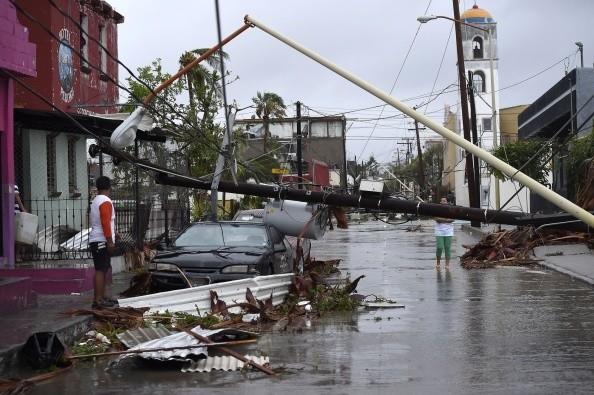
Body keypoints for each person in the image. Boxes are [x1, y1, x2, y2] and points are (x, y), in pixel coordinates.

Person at [89, 176, 118, 309]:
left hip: (97, 239)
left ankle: (102, 296)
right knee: (101, 270)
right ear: (109, 187)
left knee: (104, 268)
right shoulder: (105, 201)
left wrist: (114, 233)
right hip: (101, 240)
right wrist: (110, 241)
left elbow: (105, 221)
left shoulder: (95, 200)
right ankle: (98, 300)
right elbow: (105, 222)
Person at [434, 197, 455, 270]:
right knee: (440, 247)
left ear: (447, 202)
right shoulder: (437, 210)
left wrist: (443, 220)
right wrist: (446, 220)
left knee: (447, 248)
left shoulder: (450, 210)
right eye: (442, 201)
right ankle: (438, 263)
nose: (443, 202)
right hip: (439, 231)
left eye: (445, 201)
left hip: (448, 231)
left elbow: (452, 219)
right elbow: (437, 219)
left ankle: (447, 265)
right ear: (440, 202)